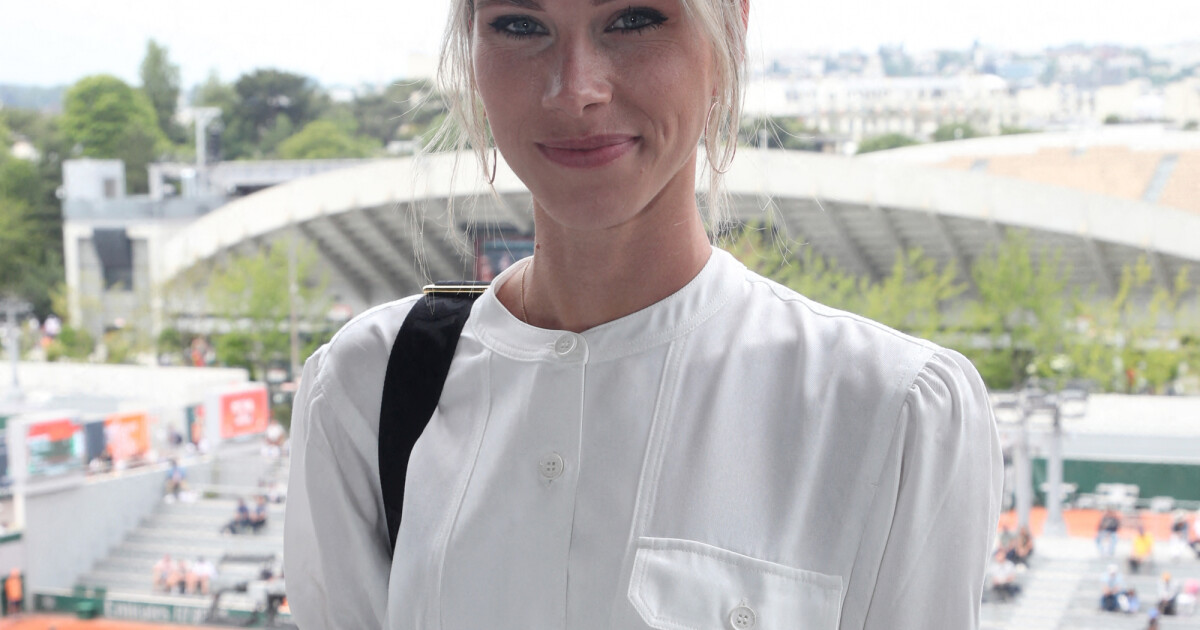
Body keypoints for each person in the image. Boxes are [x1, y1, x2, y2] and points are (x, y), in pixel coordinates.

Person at [283, 0, 1004, 628]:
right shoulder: (364, 388)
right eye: (518, 24)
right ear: (470, 53)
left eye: (632, 20)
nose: (576, 90)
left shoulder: (890, 408)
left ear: (732, 32)